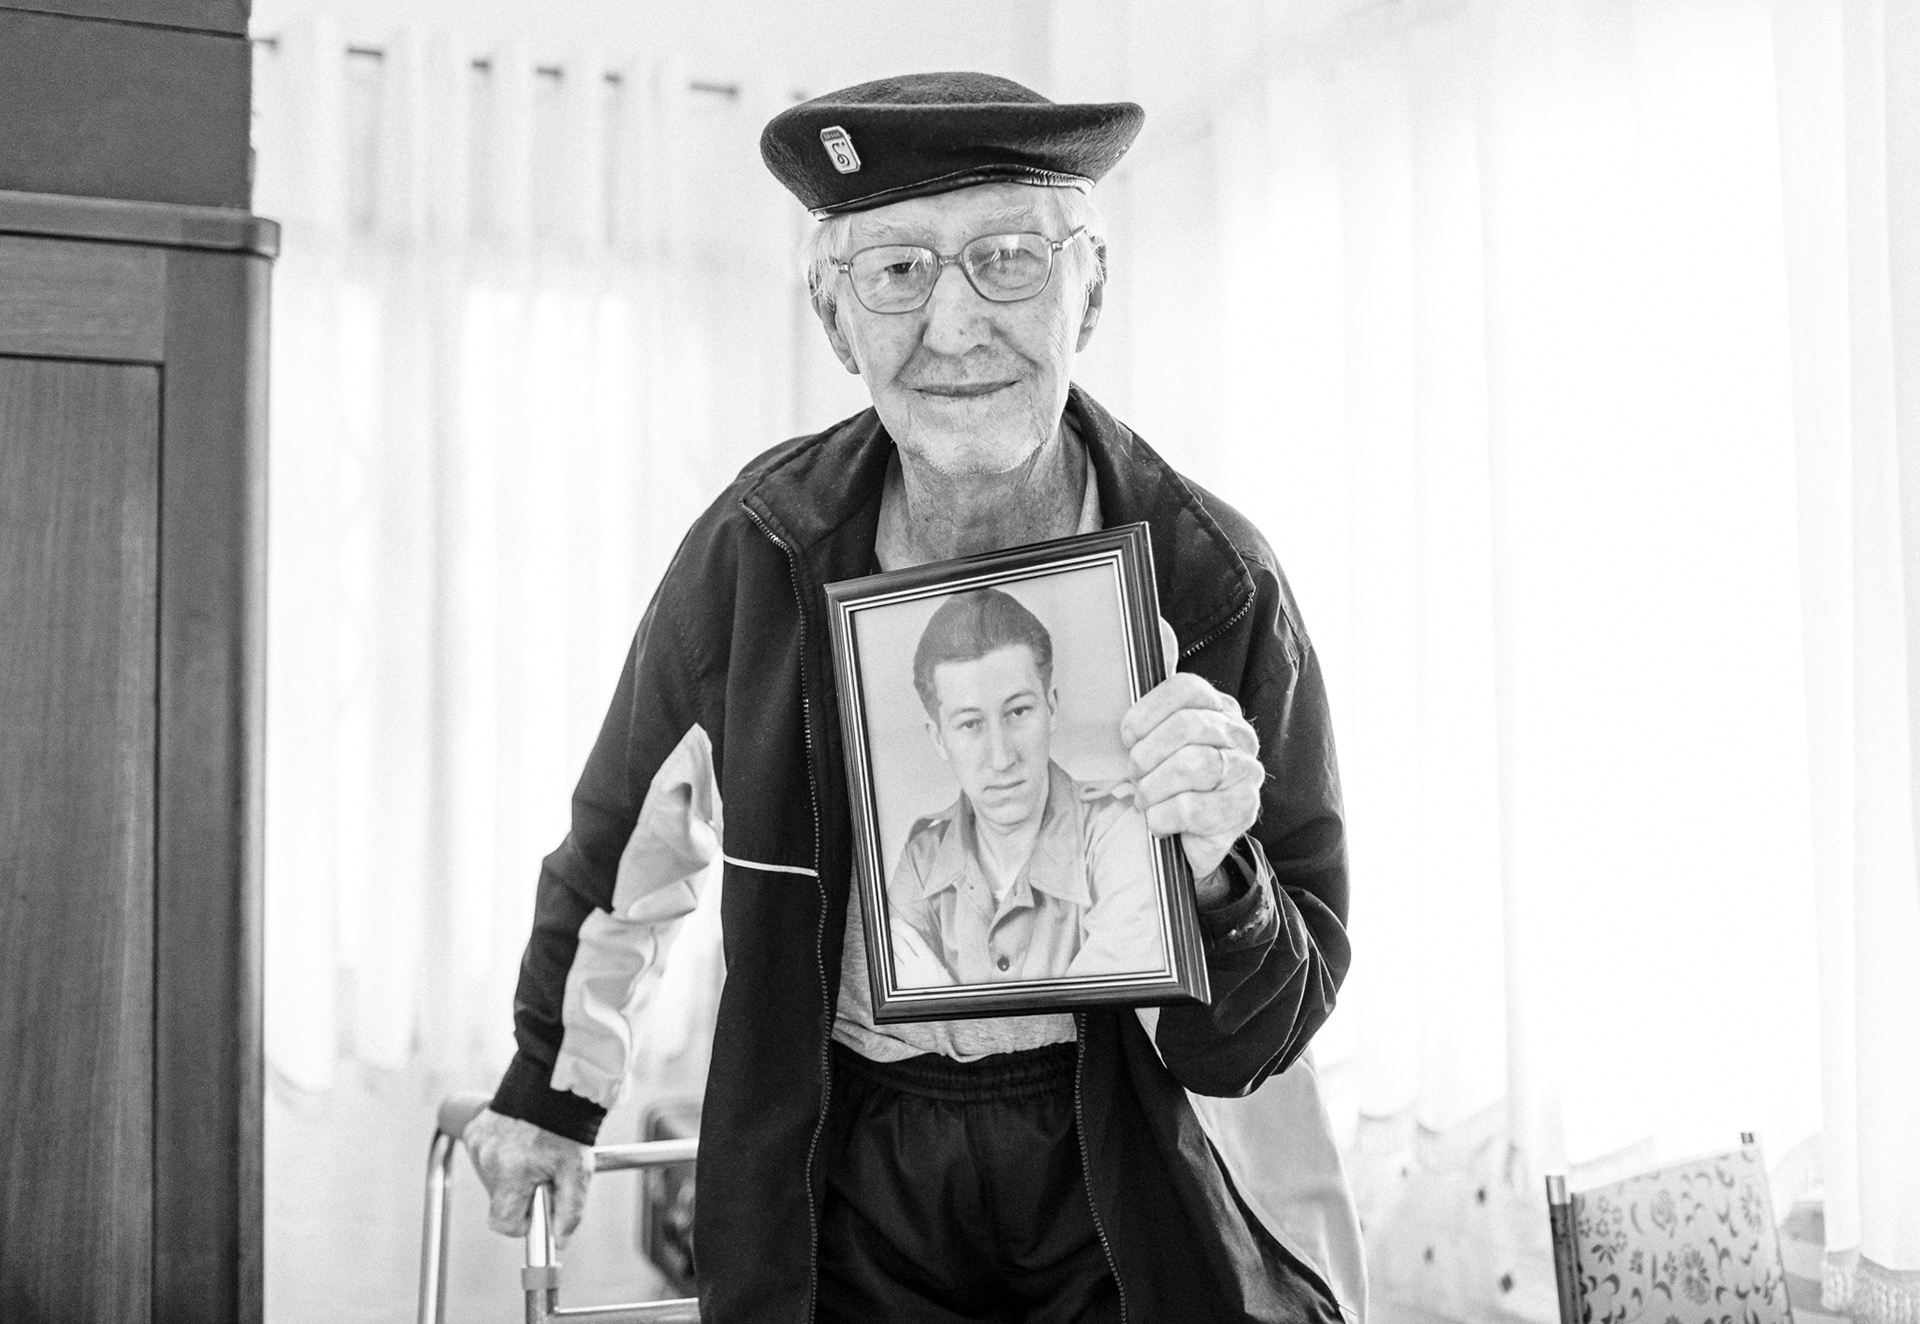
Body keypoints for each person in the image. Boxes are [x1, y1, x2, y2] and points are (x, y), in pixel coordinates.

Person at [464, 70, 1357, 1324]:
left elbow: (1268, 1029)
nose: (954, 324)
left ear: (1091, 290)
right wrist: (551, 1093)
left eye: (1009, 259)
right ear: (836, 323)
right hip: (849, 1142)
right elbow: (629, 842)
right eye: (895, 271)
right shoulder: (755, 554)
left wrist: (1218, 876)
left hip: (1126, 1138)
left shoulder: (1216, 581)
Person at [889, 587, 1164, 987]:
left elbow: (1104, 1015)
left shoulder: (1120, 832)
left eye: (1018, 711)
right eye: (970, 723)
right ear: (938, 739)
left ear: (1051, 709)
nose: (1002, 758)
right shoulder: (921, 860)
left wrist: (936, 992)